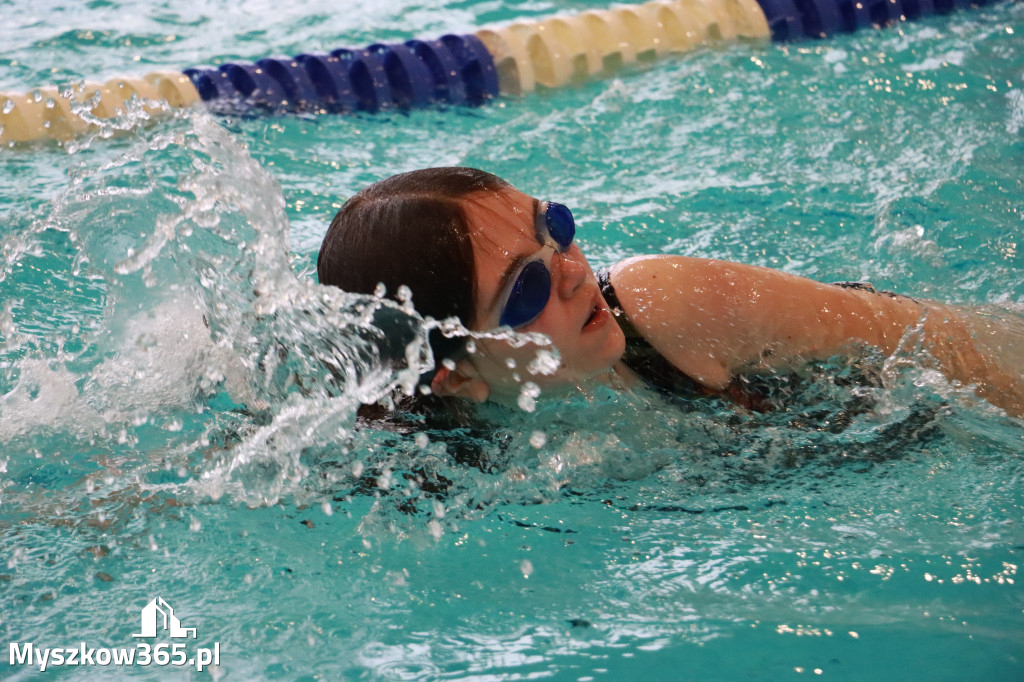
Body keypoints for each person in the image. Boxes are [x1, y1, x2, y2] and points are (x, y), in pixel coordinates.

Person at [317, 167, 1024, 417]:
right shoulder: (427, 445)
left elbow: (945, 342)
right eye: (526, 286)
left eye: (553, 226)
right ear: (454, 377)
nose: (568, 267)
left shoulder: (667, 304)